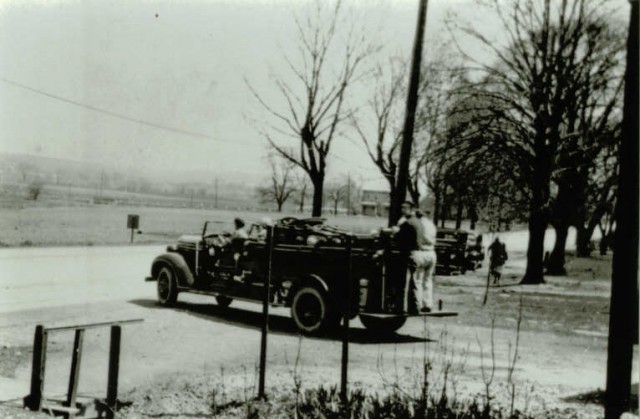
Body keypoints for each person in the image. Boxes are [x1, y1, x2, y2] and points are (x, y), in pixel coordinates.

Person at [394, 201, 432, 314]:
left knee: (404, 282)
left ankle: (401, 308)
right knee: (414, 282)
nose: (402, 210)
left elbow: (399, 240)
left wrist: (396, 233)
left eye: (404, 208)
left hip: (410, 255)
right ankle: (415, 307)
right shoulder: (419, 222)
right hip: (418, 253)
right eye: (402, 208)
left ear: (411, 210)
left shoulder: (407, 224)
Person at [416, 209, 438, 312]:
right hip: (432, 252)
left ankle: (419, 304)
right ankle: (428, 304)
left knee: (418, 279)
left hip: (422, 252)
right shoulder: (431, 224)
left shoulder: (419, 225)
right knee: (428, 280)